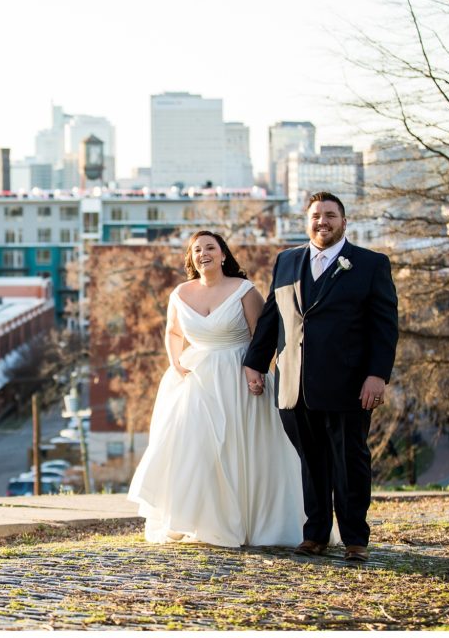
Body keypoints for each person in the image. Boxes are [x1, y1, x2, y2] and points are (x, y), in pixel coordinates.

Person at [243, 192, 398, 562]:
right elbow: (271, 317)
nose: (322, 221)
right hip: (293, 384)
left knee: (350, 461)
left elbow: (384, 327)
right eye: (316, 215)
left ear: (344, 222)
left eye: (330, 215)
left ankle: (355, 539)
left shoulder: (370, 264)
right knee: (310, 463)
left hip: (349, 385)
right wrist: (255, 363)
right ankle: (314, 534)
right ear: (307, 221)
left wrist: (377, 376)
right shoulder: (286, 260)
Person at [127, 230, 304, 547]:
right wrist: (176, 362)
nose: (203, 253)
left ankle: (252, 524)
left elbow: (261, 335)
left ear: (223, 254)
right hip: (195, 380)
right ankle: (199, 520)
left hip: (240, 379)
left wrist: (256, 371)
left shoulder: (244, 290)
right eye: (197, 250)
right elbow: (172, 332)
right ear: (191, 258)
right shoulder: (180, 294)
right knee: (195, 451)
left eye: (210, 247)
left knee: (241, 450)